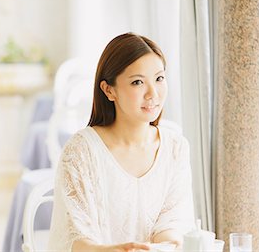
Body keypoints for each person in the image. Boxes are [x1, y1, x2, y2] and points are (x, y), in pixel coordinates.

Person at [48, 33, 195, 252]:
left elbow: (172, 221)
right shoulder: (81, 151)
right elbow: (75, 238)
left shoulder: (175, 148)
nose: (152, 93)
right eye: (138, 82)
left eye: (159, 78)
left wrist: (168, 242)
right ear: (109, 90)